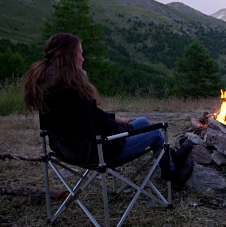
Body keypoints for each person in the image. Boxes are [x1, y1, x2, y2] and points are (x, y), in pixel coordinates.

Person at [23, 33, 193, 188]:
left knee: (142, 121)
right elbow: (108, 128)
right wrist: (127, 128)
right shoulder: (72, 94)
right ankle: (172, 176)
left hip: (66, 149)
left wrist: (117, 119)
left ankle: (169, 157)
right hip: (98, 153)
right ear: (69, 58)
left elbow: (91, 118)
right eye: (80, 54)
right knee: (156, 131)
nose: (83, 58)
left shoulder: (48, 89)